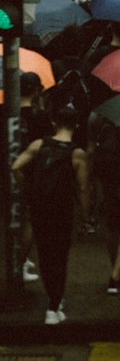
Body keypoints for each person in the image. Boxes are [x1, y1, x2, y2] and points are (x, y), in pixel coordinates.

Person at [12, 106, 89, 326]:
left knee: (45, 257)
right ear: (76, 125)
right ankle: (54, 306)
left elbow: (15, 166)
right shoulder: (77, 154)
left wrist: (28, 190)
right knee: (60, 257)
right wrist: (86, 217)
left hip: (39, 208)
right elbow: (83, 189)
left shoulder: (38, 145)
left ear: (54, 123)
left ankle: (53, 300)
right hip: (62, 211)